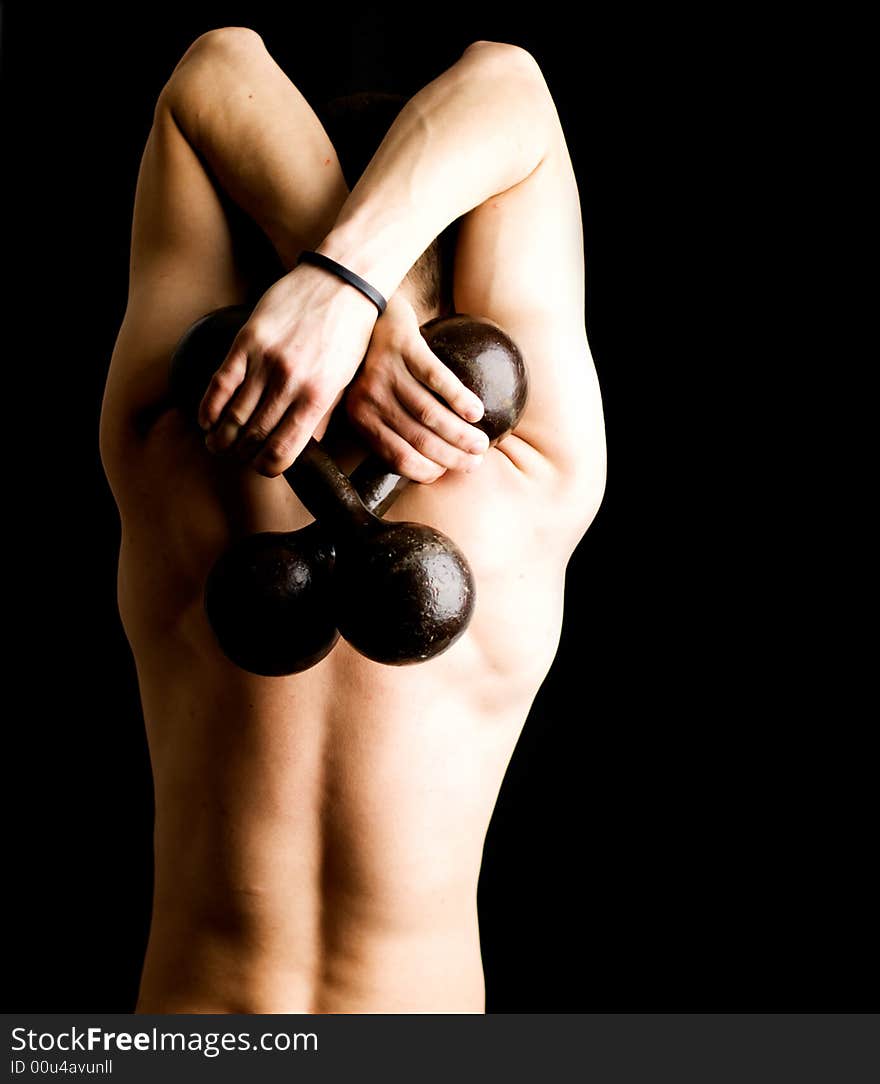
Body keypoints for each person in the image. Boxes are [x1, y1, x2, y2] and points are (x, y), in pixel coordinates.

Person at [99, 26, 606, 1013]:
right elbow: (511, 92)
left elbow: (212, 73)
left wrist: (330, 287)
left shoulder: (169, 445)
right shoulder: (530, 472)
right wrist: (363, 294)